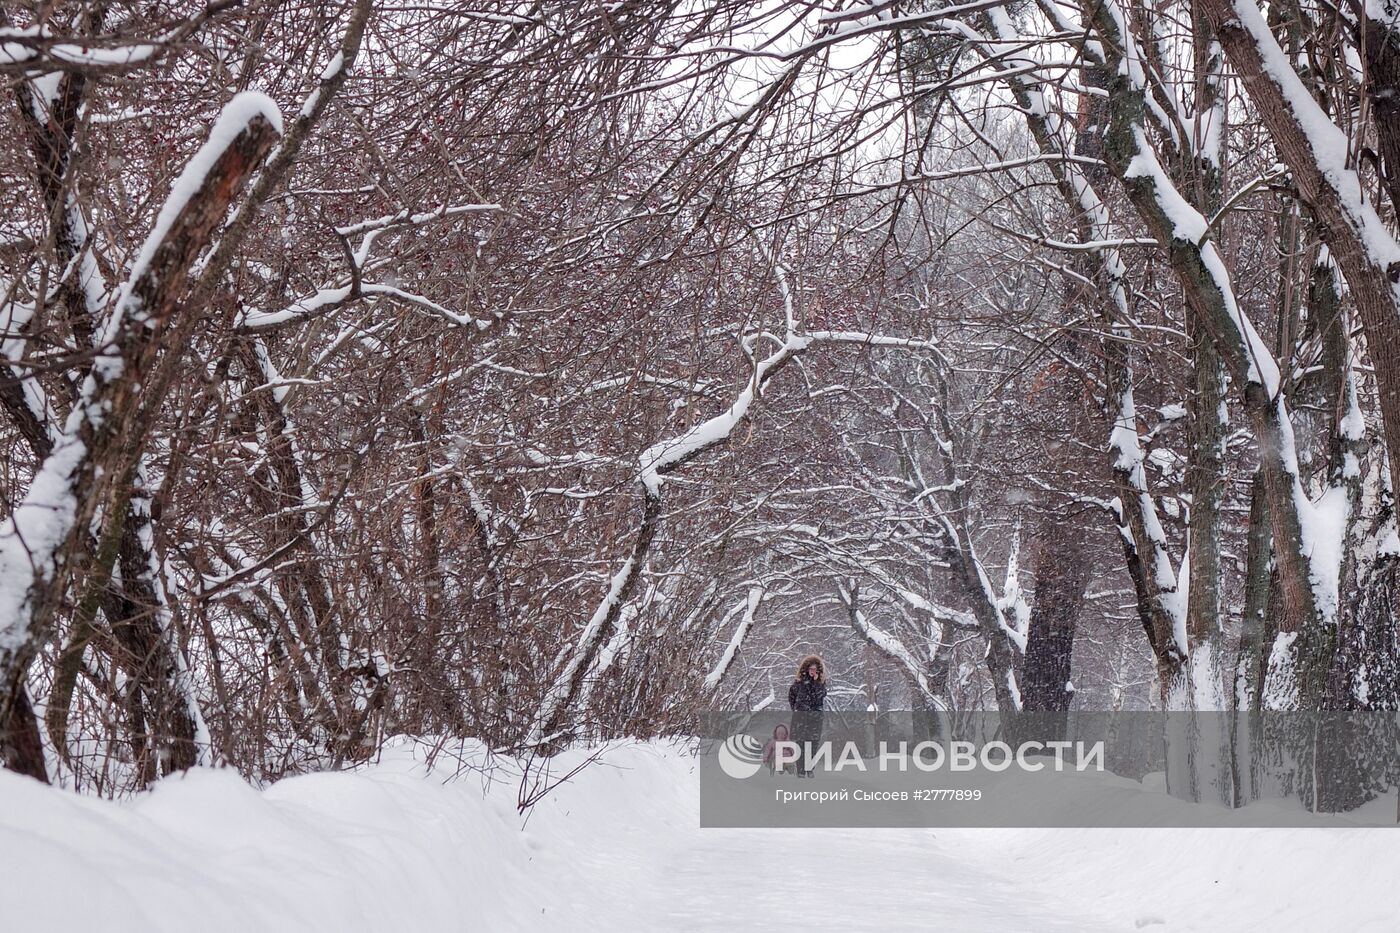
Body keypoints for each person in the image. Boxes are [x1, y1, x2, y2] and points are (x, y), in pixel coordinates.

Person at [787, 655, 827, 778]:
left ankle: (809, 768)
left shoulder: (820, 684)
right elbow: (791, 697)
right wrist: (797, 709)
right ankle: (800, 769)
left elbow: (821, 695)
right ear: (807, 669)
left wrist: (816, 682)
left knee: (813, 743)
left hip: (815, 718)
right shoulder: (798, 683)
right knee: (800, 744)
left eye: (815, 669)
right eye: (811, 668)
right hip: (801, 717)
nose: (813, 671)